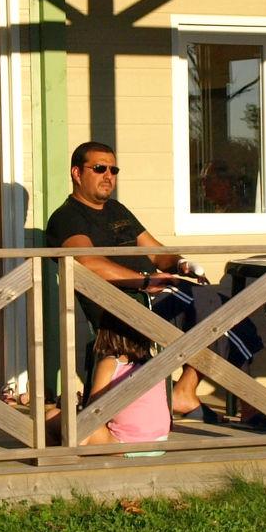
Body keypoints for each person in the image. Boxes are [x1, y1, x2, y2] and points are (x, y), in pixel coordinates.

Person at [45, 140, 211, 415]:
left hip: (151, 292)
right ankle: (224, 401)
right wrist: (145, 281)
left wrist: (183, 264)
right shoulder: (66, 218)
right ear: (77, 173)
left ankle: (188, 390)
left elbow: (158, 254)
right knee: (210, 308)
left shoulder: (117, 211)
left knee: (223, 304)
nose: (108, 175)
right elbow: (88, 262)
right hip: (120, 304)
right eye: (99, 168)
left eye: (114, 169)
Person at [79, 322, 172, 444]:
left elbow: (92, 414)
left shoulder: (110, 364)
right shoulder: (155, 364)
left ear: (106, 334)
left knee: (54, 418)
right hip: (160, 440)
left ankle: (61, 460)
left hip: (126, 442)